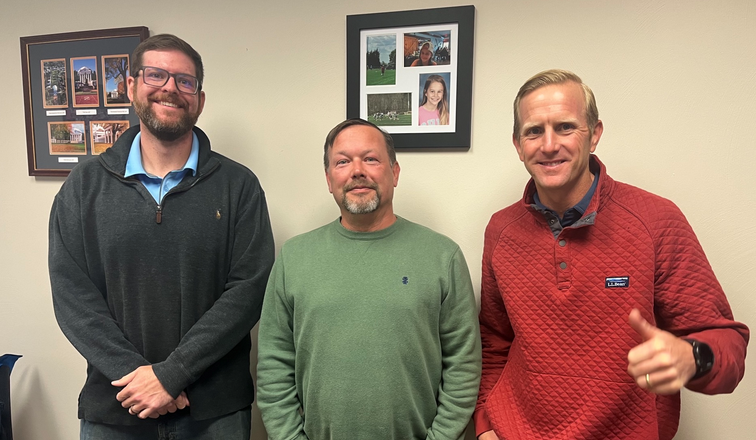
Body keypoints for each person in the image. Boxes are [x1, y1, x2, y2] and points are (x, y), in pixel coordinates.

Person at [475, 69, 749, 440]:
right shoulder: (501, 229)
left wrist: (692, 356)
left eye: (565, 127)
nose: (549, 145)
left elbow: (727, 344)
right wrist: (485, 426)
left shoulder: (656, 220)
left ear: (594, 134)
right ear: (518, 144)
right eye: (534, 131)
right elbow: (494, 341)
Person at [48, 34, 274, 439]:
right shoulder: (84, 186)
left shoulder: (238, 187)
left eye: (185, 81)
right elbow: (73, 296)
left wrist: (172, 375)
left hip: (214, 412)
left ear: (199, 100)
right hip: (117, 404)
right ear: (131, 86)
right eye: (156, 75)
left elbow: (249, 290)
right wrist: (137, 377)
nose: (170, 88)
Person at [257, 118, 480, 440]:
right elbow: (273, 367)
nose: (357, 171)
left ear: (395, 172)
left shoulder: (442, 256)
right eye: (342, 162)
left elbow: (463, 366)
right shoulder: (293, 258)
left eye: (371, 158)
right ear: (329, 179)